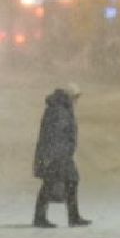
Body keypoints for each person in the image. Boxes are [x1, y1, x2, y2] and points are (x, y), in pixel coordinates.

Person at [32, 83, 91, 228]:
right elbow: (54, 134)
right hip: (56, 155)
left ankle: (71, 216)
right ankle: (44, 218)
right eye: (76, 97)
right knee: (54, 183)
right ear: (69, 96)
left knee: (67, 182)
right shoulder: (59, 111)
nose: (77, 101)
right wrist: (54, 155)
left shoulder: (61, 109)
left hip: (60, 153)